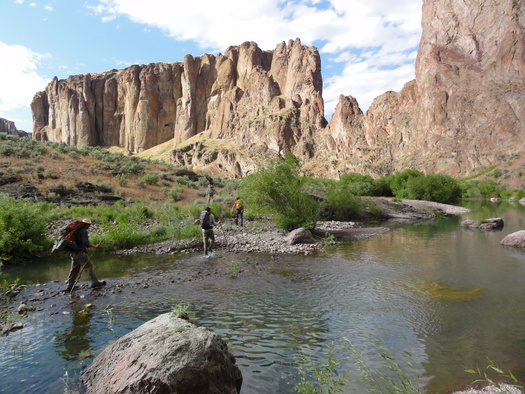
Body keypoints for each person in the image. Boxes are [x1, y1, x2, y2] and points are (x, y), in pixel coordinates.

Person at [64, 218, 105, 292]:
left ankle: (70, 285)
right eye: (89, 225)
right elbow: (85, 243)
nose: (89, 226)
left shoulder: (75, 230)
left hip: (73, 252)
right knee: (88, 267)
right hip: (80, 253)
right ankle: (95, 282)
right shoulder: (83, 231)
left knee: (74, 269)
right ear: (85, 224)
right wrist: (94, 246)